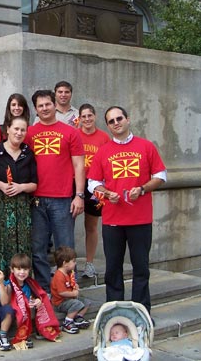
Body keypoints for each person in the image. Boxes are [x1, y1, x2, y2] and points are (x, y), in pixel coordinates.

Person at [88, 106, 166, 314]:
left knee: (141, 269)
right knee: (113, 270)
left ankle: (141, 314)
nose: (116, 123)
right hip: (112, 220)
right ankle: (115, 314)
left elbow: (160, 176)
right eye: (111, 121)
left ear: (128, 119)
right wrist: (105, 192)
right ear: (108, 125)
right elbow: (93, 182)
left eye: (119, 118)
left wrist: (141, 189)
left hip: (140, 219)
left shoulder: (146, 146)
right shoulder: (103, 151)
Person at [25, 89, 85, 293]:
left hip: (62, 199)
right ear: (35, 109)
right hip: (36, 200)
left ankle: (67, 289)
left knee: (65, 250)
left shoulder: (71, 132)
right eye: (40, 106)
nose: (44, 108)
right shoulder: (29, 133)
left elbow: (79, 165)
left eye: (47, 104)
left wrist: (79, 195)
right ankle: (43, 289)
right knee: (38, 249)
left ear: (54, 105)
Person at [0, 116, 37, 276]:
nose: (19, 133)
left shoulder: (28, 154)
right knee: (0, 246)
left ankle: (22, 288)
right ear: (8, 130)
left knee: (22, 247)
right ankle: (0, 285)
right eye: (16, 129)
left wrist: (21, 187)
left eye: (23, 130)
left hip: (22, 211)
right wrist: (1, 185)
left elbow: (34, 184)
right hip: (0, 209)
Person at [78, 103, 110, 278]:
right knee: (65, 224)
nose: (87, 119)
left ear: (95, 116)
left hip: (95, 185)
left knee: (91, 226)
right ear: (80, 118)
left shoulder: (104, 137)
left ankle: (89, 263)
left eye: (90, 115)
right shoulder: (75, 135)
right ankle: (65, 265)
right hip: (76, 182)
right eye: (84, 116)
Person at [9, 253, 60, 349]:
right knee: (22, 311)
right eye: (19, 269)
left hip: (28, 309)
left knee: (41, 303)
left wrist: (37, 300)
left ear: (29, 270)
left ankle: (40, 329)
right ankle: (23, 336)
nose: (22, 272)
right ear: (12, 270)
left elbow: (36, 295)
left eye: (25, 269)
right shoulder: (9, 285)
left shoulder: (30, 283)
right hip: (15, 312)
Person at [50, 246, 90, 334]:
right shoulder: (59, 276)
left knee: (86, 302)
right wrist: (73, 293)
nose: (75, 263)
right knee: (77, 304)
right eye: (73, 261)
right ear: (65, 263)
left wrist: (74, 286)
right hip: (60, 302)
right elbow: (62, 292)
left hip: (68, 300)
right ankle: (68, 322)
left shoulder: (67, 273)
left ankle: (78, 317)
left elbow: (69, 284)